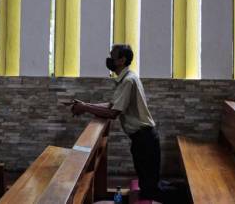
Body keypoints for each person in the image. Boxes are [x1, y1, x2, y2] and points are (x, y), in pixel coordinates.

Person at [71, 44, 181, 203]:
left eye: (112, 56)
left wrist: (85, 108)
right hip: (144, 139)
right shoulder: (128, 78)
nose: (109, 60)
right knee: (149, 185)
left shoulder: (128, 81)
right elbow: (111, 105)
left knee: (150, 190)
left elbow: (113, 113)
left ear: (122, 60)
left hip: (145, 140)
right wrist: (85, 105)